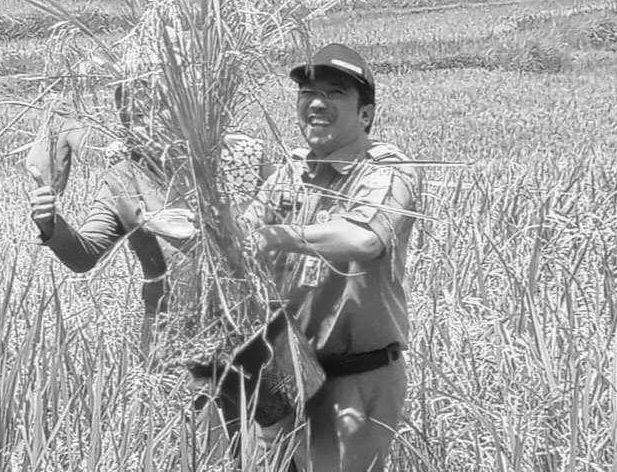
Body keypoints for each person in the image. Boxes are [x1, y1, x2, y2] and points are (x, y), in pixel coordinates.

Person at [236, 43, 423, 471]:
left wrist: (280, 236)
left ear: (366, 114)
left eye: (335, 92)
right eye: (308, 92)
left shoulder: (386, 170)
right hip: (284, 374)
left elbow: (364, 239)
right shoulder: (291, 172)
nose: (317, 103)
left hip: (354, 379)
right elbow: (244, 239)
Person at [28, 79, 271, 354]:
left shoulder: (241, 159)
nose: (146, 125)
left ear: (188, 106)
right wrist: (51, 223)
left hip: (251, 327)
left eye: (158, 109)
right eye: (135, 117)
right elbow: (83, 257)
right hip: (167, 336)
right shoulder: (125, 178)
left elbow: (285, 238)